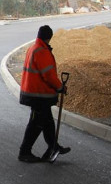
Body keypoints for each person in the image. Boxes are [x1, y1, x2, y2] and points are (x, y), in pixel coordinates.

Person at [18, 25, 71, 163]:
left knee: (47, 121)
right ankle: (24, 152)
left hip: (34, 92)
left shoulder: (33, 48)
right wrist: (60, 87)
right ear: (49, 37)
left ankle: (53, 147)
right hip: (38, 95)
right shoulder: (42, 51)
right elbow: (48, 75)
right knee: (36, 124)